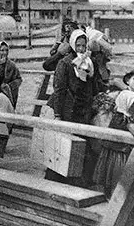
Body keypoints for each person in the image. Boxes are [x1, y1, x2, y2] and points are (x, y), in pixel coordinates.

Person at [45, 29, 98, 186]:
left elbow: (91, 86)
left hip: (84, 110)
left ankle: (78, 180)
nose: (81, 49)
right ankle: (56, 179)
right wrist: (58, 114)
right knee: (64, 146)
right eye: (78, 45)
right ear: (73, 45)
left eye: (84, 45)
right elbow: (59, 90)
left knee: (82, 145)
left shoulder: (88, 63)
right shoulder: (65, 63)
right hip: (68, 109)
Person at [93, 90, 134, 199]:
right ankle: (113, 197)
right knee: (116, 175)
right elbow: (117, 136)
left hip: (124, 150)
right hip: (117, 152)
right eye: (133, 103)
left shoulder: (130, 117)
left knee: (121, 176)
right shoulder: (119, 117)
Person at [0, 41, 22, 108]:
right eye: (2, 50)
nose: (5, 53)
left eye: (6, 50)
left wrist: (8, 86)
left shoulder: (11, 65)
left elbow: (19, 79)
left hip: (7, 94)